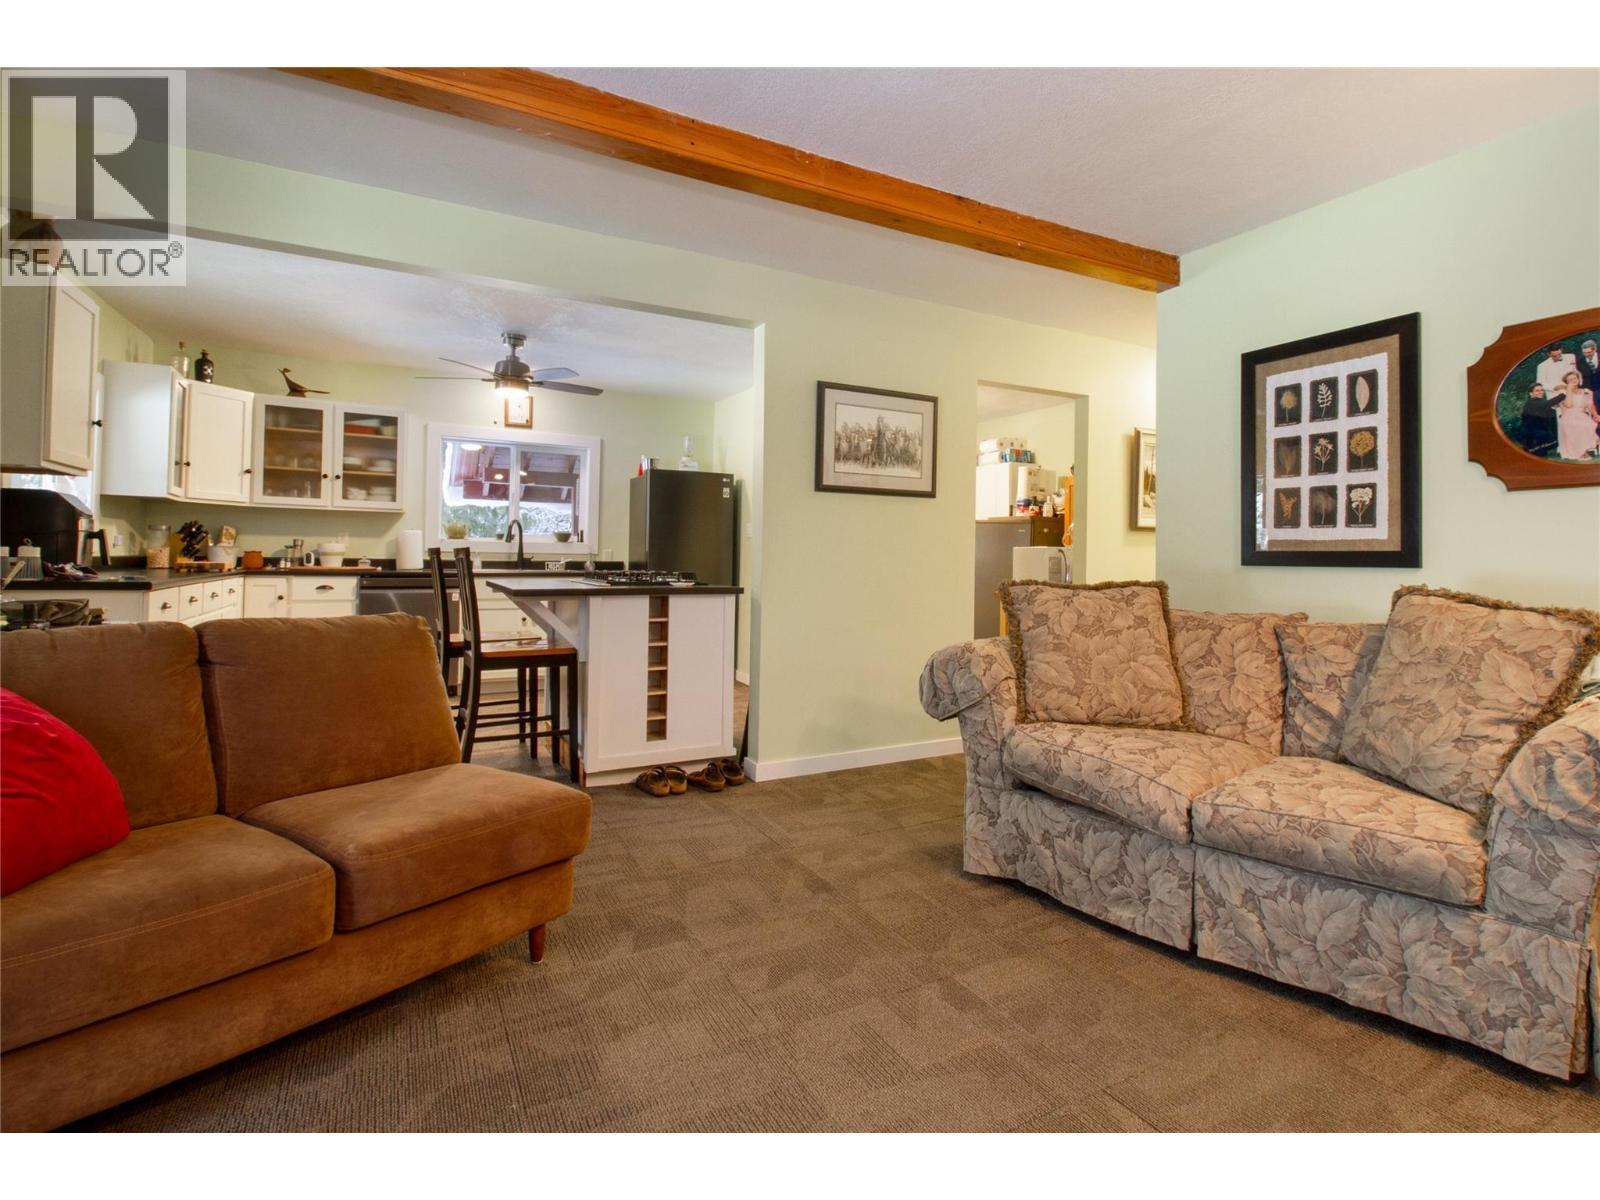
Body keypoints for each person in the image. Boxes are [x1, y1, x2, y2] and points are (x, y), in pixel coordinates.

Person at [1554, 369, 1600, 460]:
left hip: (1582, 415)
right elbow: (1568, 404)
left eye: (1575, 378)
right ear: (1566, 382)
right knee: (1579, 425)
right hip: (1568, 417)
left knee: (1591, 425)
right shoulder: (1562, 392)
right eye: (1570, 380)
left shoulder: (1586, 391)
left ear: (1579, 379)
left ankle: (1584, 449)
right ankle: (1581, 452)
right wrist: (1569, 390)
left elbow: (1591, 406)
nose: (1574, 381)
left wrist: (1595, 415)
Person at [1518, 382, 1560, 456]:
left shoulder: (1536, 402)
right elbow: (1549, 403)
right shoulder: (1532, 402)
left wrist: (1553, 408)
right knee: (1534, 455)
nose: (1541, 392)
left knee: (1537, 455)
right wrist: (1565, 392)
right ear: (1531, 393)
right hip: (1532, 434)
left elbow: (1547, 412)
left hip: (1537, 433)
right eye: (1537, 390)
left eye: (1542, 390)